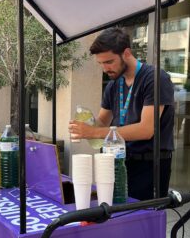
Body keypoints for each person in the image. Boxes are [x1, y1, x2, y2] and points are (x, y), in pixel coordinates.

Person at [69, 27, 175, 200]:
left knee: (143, 221)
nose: (105, 69)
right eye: (101, 63)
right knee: (117, 217)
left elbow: (146, 130)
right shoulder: (113, 84)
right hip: (118, 162)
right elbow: (102, 122)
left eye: (109, 61)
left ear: (126, 53)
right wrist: (83, 125)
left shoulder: (155, 79)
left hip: (149, 165)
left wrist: (94, 132)